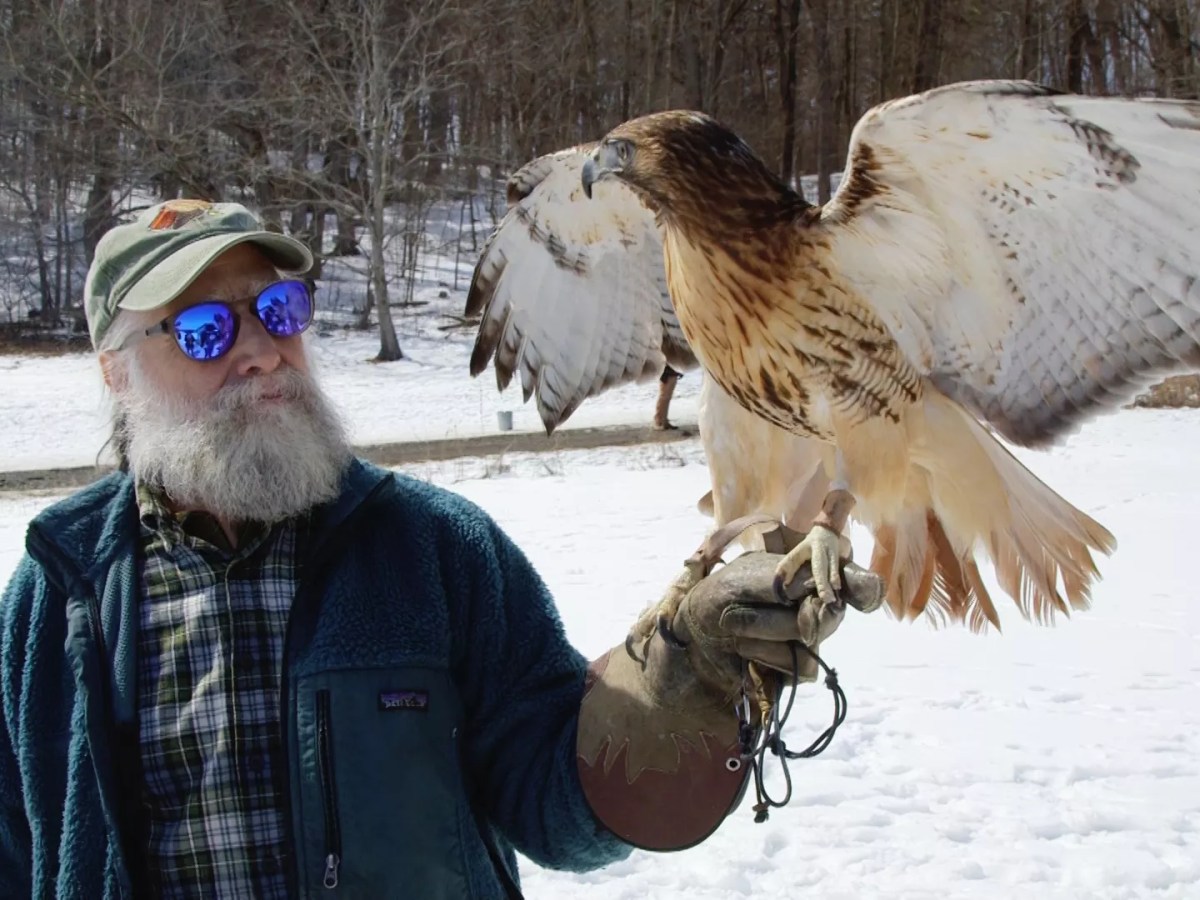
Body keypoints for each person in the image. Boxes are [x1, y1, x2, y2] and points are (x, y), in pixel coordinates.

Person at [0, 198, 876, 898]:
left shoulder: (436, 551)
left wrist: (677, 685)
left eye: (278, 309)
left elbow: (554, 798)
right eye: (204, 332)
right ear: (118, 374)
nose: (263, 352)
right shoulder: (60, 589)